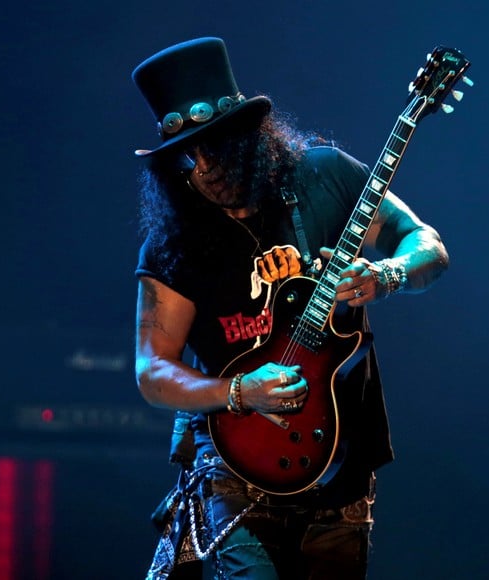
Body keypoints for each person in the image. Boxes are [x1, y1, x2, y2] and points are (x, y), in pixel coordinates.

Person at [131, 37, 449, 579]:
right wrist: (236, 391)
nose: (203, 168)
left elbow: (426, 244)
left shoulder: (322, 177)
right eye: (187, 156)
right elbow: (152, 368)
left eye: (214, 147)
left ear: (248, 137)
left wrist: (386, 275)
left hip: (342, 461)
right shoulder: (175, 242)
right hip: (235, 471)